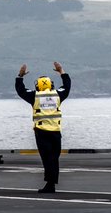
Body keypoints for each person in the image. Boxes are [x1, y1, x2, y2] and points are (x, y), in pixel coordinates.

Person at [15, 61, 70, 193]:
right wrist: (61, 71)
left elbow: (20, 90)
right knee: (54, 158)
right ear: (50, 84)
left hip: (42, 132)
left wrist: (20, 76)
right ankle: (51, 184)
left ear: (38, 86)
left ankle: (50, 185)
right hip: (56, 132)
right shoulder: (57, 94)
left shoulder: (35, 96)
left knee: (47, 159)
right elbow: (67, 86)